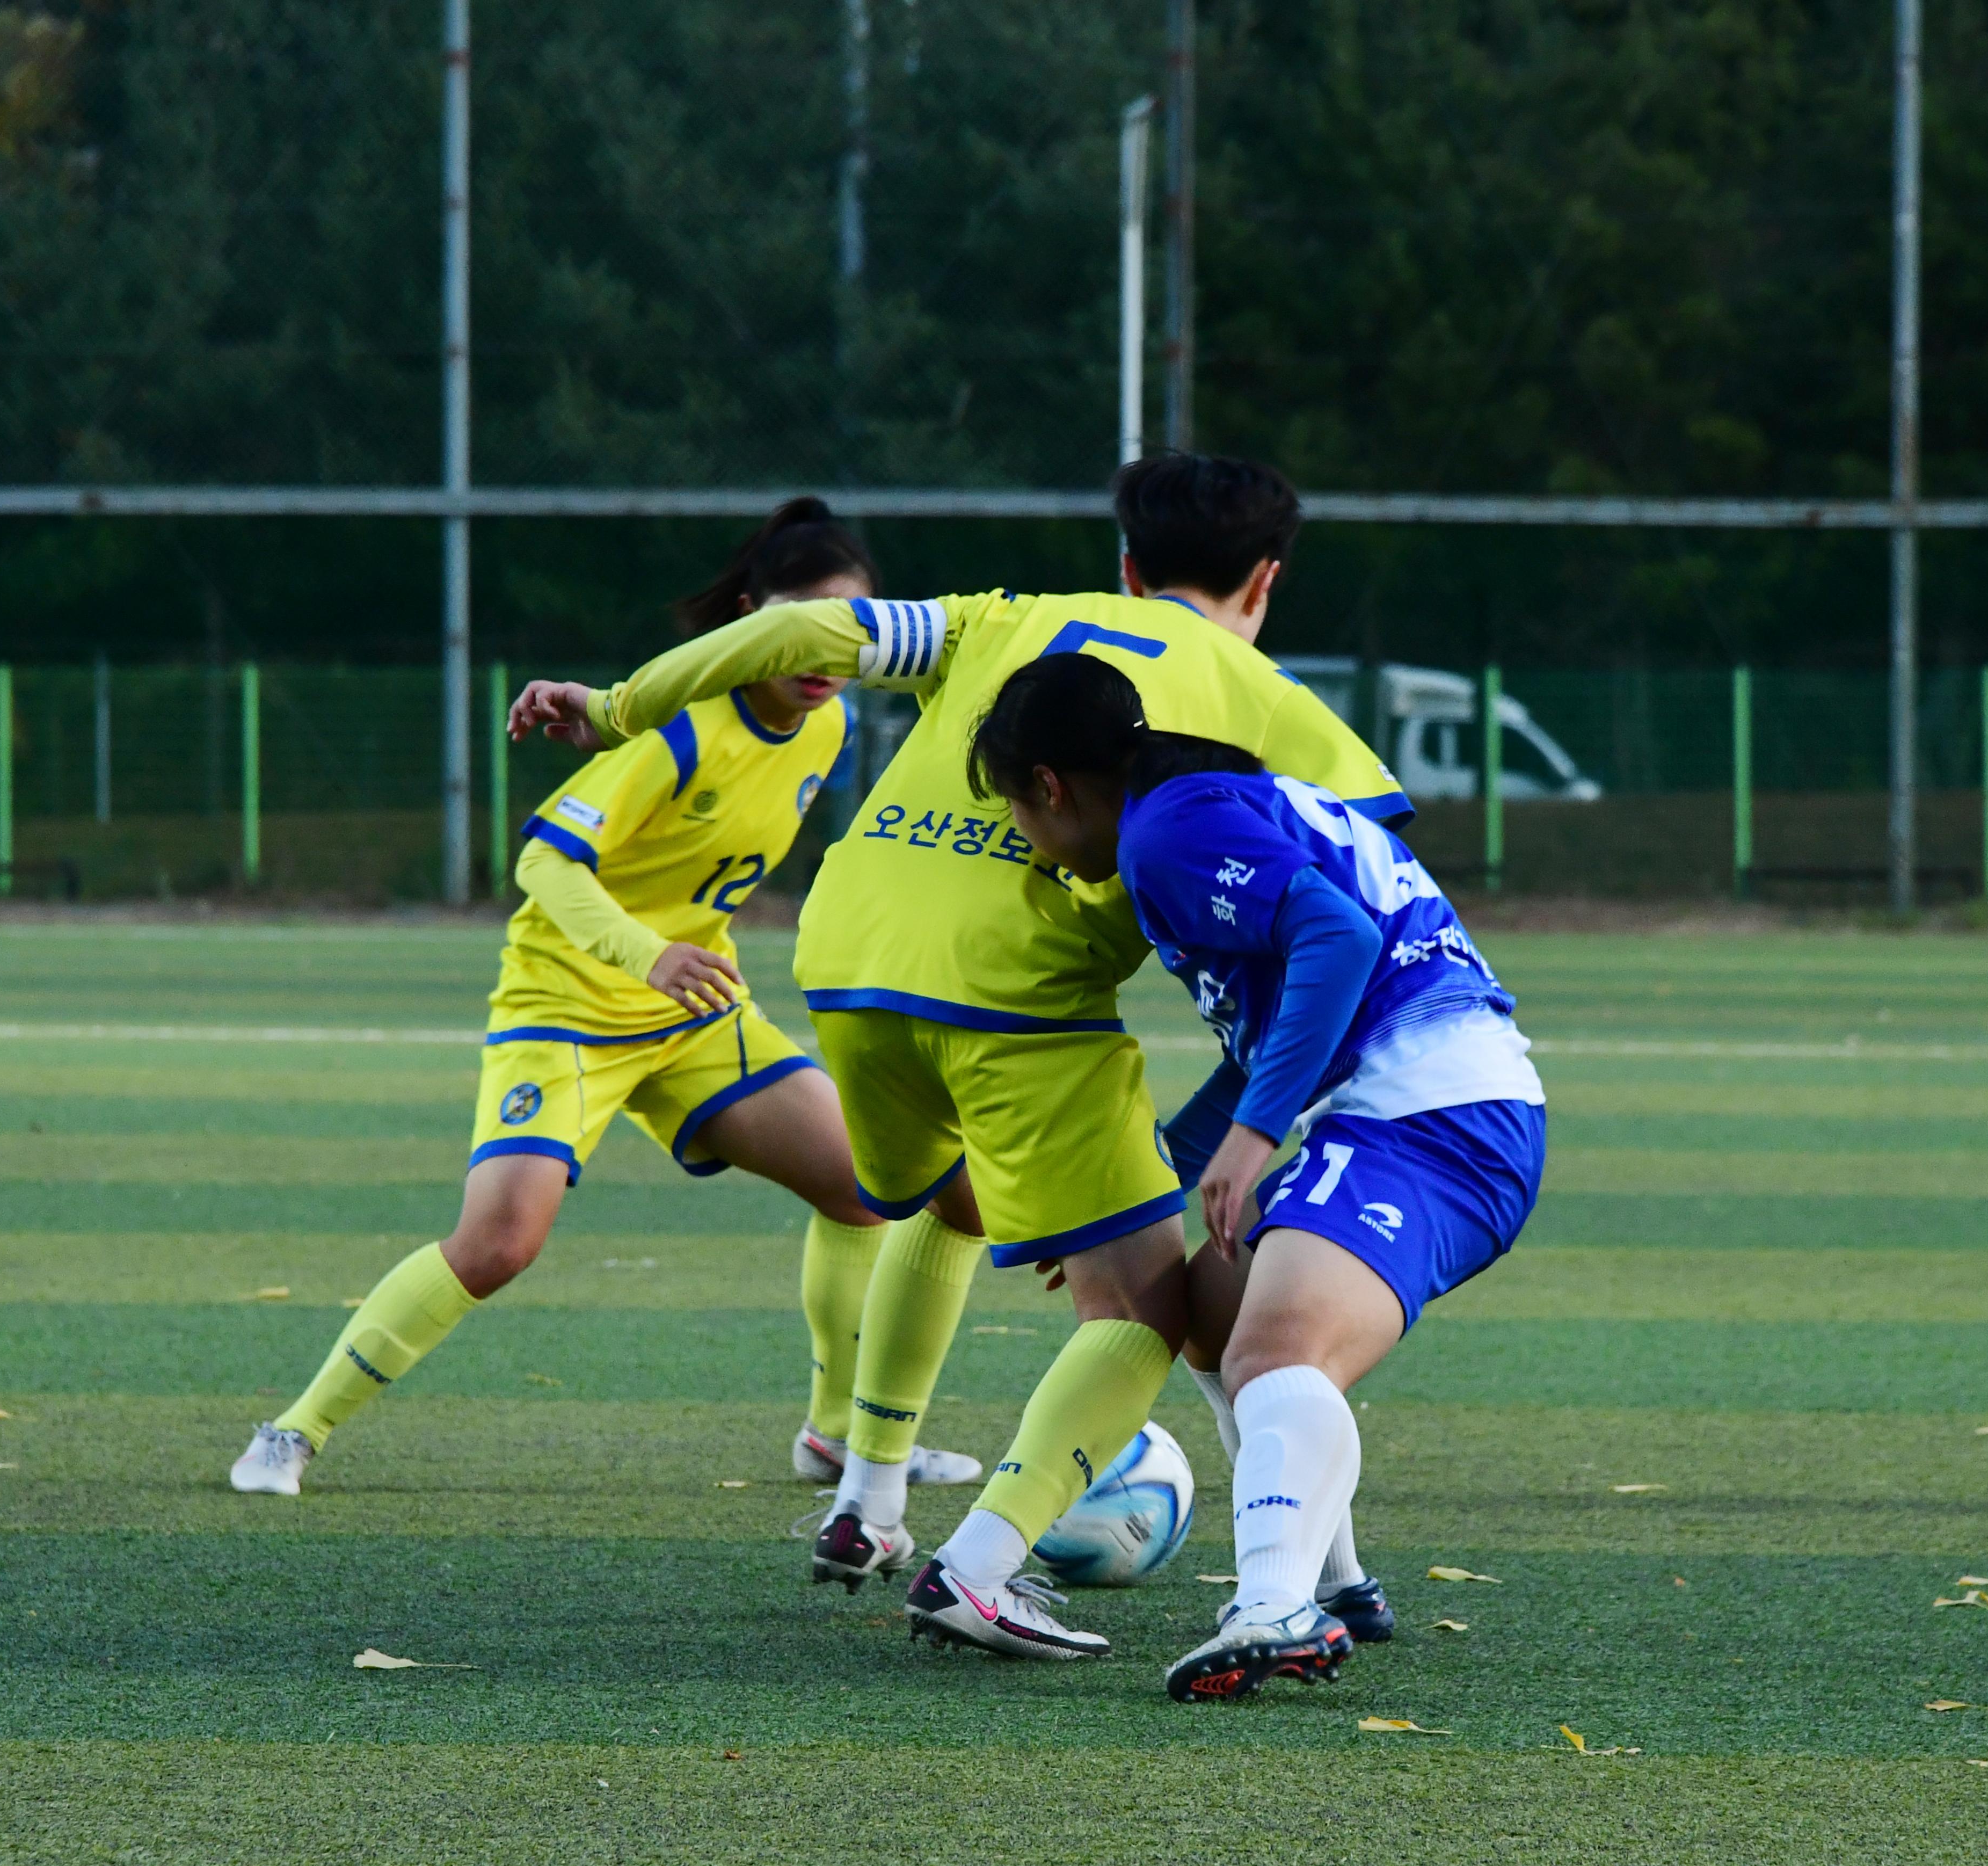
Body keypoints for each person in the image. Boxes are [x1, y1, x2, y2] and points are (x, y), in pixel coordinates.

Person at [506, 454, 1409, 1646]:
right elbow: (1366, 871)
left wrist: (617, 706)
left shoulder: (1005, 617)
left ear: (1126, 566)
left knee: (957, 1200)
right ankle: (983, 1564)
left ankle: (869, 1495)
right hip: (1016, 993)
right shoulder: (1269, 698)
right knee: (1145, 1301)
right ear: (1267, 581)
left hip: (849, 957)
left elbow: (807, 631)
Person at [230, 500, 985, 1501]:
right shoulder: (679, 727)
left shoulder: (830, 722)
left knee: (864, 1188)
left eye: (846, 631)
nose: (823, 654)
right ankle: (291, 1433)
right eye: (800, 625)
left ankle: (836, 1436)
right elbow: (545, 858)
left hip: (695, 1012)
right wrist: (647, 953)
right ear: (751, 616)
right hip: (569, 1003)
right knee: (500, 1244)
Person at [962, 650, 1545, 1698]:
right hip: (1416, 1110)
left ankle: (1271, 1607)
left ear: (1048, 786)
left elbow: (1340, 937)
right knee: (1208, 1316)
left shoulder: (1167, 830)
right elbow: (1272, 1032)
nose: (1024, 838)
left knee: (1279, 1346)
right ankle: (1337, 1580)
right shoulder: (1198, 808)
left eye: (1014, 808)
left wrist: (1253, 1139)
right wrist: (1138, 1192)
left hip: (1431, 1111)